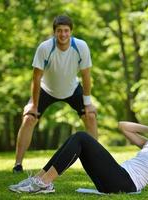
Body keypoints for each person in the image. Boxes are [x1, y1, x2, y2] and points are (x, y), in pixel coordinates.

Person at [9, 113, 148, 194]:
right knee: (76, 139)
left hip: (125, 182)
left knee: (82, 138)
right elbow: (123, 126)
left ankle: (44, 183)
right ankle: (40, 179)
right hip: (115, 177)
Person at [13, 15, 98, 173]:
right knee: (28, 119)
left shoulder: (81, 46)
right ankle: (18, 164)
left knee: (91, 116)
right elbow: (36, 77)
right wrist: (33, 104)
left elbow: (86, 75)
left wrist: (88, 102)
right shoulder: (45, 48)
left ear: (71, 32)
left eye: (66, 31)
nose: (63, 34)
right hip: (46, 89)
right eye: (59, 31)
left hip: (72, 89)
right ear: (54, 32)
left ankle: (97, 164)